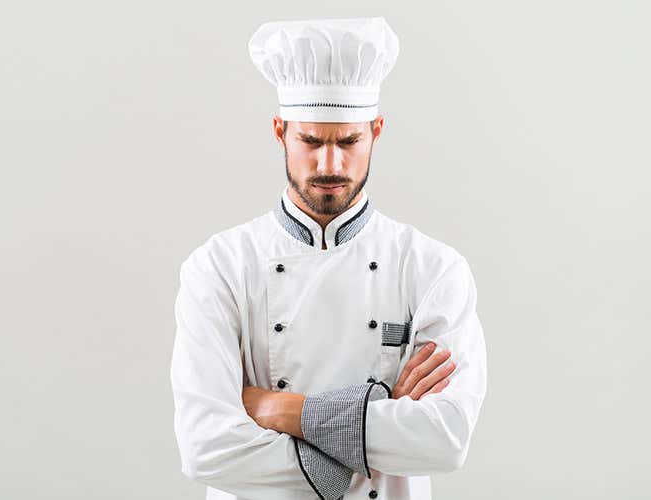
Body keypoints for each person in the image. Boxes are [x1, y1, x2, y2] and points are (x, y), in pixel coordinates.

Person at [170, 17, 487, 500]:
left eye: (349, 141)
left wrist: (281, 410)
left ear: (376, 131)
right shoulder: (218, 267)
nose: (330, 164)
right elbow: (205, 448)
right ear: (280, 132)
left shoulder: (433, 269)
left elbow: (445, 440)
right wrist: (378, 422)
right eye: (311, 141)